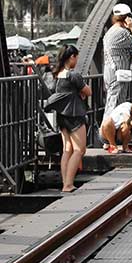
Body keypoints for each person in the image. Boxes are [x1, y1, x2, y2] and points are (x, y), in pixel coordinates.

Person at [46, 45, 92, 192]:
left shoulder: (57, 75)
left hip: (62, 117)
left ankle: (65, 183)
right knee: (79, 150)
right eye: (76, 57)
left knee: (67, 150)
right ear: (72, 57)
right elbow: (88, 91)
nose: (77, 60)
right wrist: (81, 93)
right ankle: (68, 184)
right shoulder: (73, 75)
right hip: (75, 115)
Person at [102, 3, 132, 120]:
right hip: (118, 73)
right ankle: (107, 133)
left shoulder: (110, 31)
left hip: (110, 71)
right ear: (126, 17)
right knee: (115, 105)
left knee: (112, 101)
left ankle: (113, 132)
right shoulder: (122, 33)